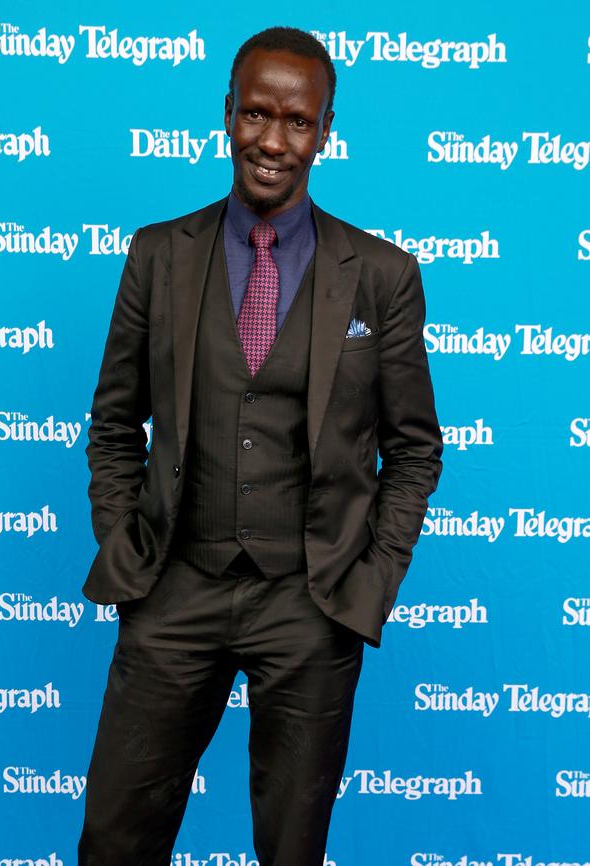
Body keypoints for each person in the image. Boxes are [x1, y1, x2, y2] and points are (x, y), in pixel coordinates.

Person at [78, 25, 443, 866]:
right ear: (227, 114)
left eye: (297, 120)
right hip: (175, 591)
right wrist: (126, 543)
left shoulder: (382, 276)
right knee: (113, 842)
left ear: (325, 129)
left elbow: (415, 450)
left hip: (312, 608)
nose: (272, 141)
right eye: (255, 114)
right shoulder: (158, 255)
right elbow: (110, 424)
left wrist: (368, 581)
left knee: (290, 851)